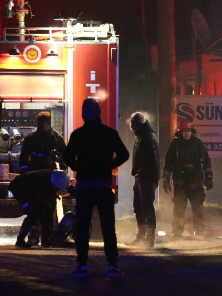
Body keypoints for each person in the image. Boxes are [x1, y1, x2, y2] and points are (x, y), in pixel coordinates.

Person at [63, 99, 129, 278]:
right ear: (99, 113)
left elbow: (67, 157)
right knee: (108, 226)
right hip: (103, 185)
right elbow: (124, 154)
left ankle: (82, 265)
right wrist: (109, 165)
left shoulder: (78, 135)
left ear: (84, 114)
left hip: (84, 186)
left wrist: (79, 168)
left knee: (83, 226)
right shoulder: (109, 134)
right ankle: (112, 265)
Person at [17, 111, 67, 246]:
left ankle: (47, 238)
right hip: (34, 178)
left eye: (42, 124)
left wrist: (62, 172)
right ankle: (33, 236)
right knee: (35, 209)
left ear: (48, 124)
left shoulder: (56, 138)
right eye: (38, 123)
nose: (39, 126)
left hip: (49, 179)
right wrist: (24, 174)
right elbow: (23, 157)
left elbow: (65, 156)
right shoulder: (31, 138)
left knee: (49, 209)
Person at [162, 119, 213, 238]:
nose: (187, 133)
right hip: (181, 183)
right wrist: (165, 179)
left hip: (196, 181)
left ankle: (199, 232)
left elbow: (206, 162)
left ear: (192, 131)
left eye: (189, 131)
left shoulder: (198, 144)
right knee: (179, 209)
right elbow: (168, 163)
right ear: (180, 132)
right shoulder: (175, 144)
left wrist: (209, 178)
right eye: (185, 131)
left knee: (198, 209)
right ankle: (177, 233)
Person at [8, 169, 69, 248]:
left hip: (30, 190)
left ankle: (46, 239)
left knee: (46, 211)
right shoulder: (40, 182)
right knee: (33, 213)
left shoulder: (53, 178)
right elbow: (38, 195)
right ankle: (20, 239)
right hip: (20, 190)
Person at [125, 112, 159, 248]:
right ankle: (142, 236)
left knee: (146, 208)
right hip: (142, 177)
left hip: (146, 178)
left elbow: (152, 160)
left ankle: (149, 239)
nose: (131, 127)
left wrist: (141, 173)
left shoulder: (147, 137)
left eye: (133, 124)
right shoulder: (142, 135)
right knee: (139, 207)